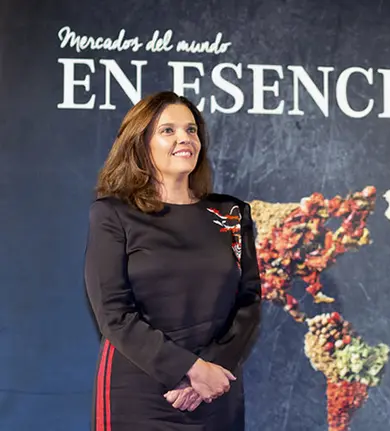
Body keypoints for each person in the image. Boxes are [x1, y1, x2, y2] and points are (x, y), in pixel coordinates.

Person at [84, 91, 262, 430]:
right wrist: (190, 369)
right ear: (141, 143)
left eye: (191, 130)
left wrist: (211, 369)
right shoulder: (113, 214)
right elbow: (114, 313)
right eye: (168, 130)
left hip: (216, 387)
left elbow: (249, 302)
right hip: (141, 391)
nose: (185, 138)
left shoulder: (231, 214)